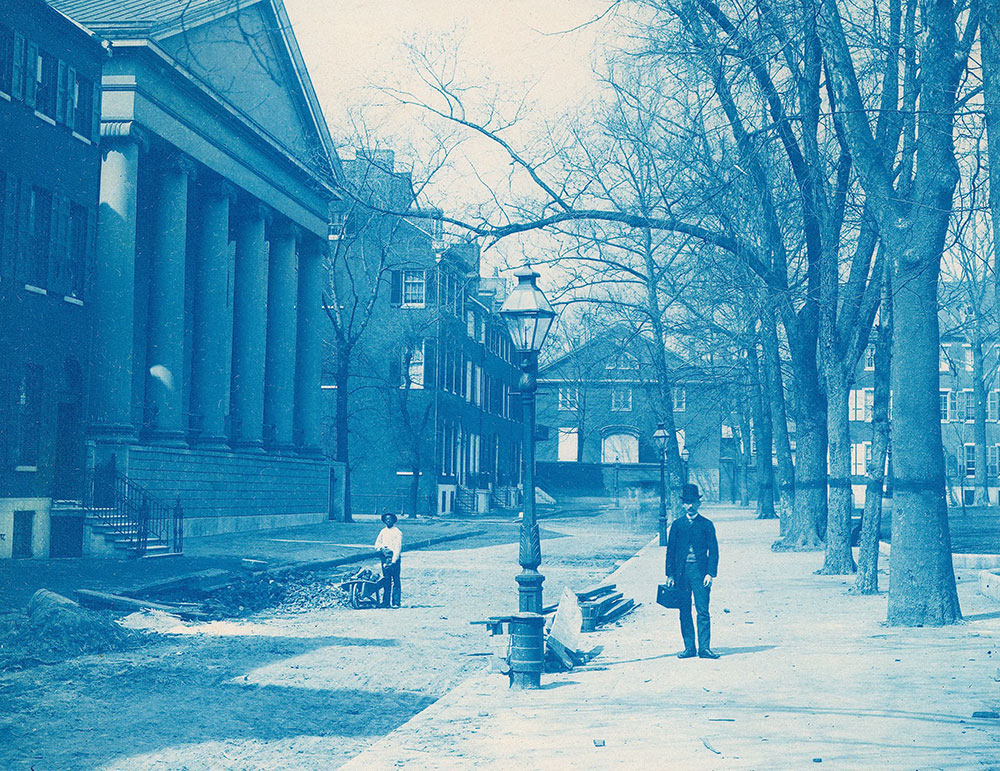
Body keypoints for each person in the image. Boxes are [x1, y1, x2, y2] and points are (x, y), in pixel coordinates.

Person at [665, 483, 719, 659]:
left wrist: (710, 573)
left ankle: (705, 648)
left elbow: (714, 551)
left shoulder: (706, 525)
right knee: (684, 610)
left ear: (699, 503)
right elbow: (670, 551)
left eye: (693, 502)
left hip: (700, 573)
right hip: (681, 574)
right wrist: (670, 574)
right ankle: (689, 648)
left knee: (703, 610)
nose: (690, 505)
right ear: (682, 504)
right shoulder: (677, 525)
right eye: (687, 502)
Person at [374, 512, 402, 608]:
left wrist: (394, 561)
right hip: (384, 557)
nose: (388, 521)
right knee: (386, 579)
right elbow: (377, 544)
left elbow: (397, 548)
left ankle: (396, 602)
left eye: (390, 519)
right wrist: (381, 548)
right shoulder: (383, 531)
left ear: (394, 520)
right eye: (386, 519)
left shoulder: (397, 532)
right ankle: (386, 602)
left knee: (396, 580)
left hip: (394, 557)